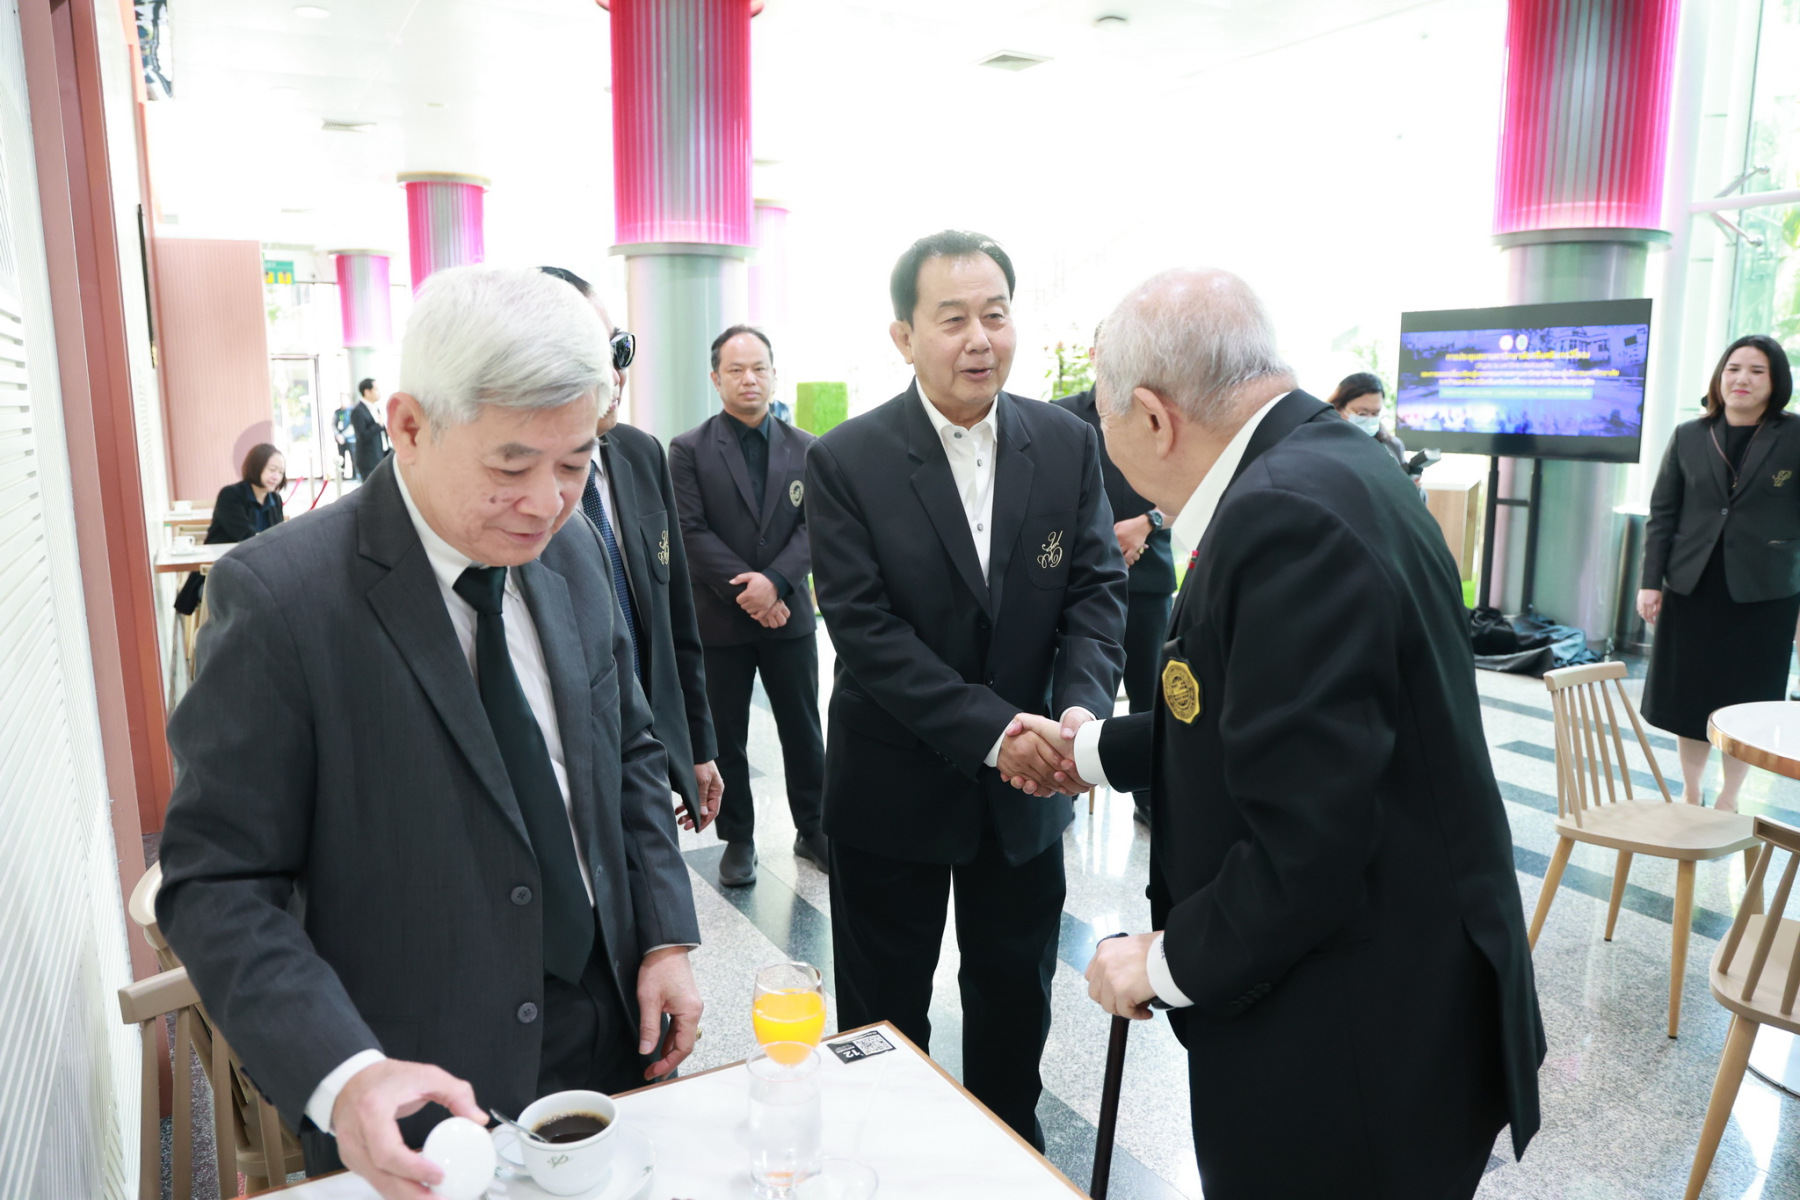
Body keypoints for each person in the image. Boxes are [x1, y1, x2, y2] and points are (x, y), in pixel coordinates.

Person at [155, 266, 704, 1200]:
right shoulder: (284, 598)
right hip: (415, 1078)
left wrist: (664, 937)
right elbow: (218, 880)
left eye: (576, 463)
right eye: (511, 466)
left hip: (611, 1028)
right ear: (408, 426)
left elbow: (628, 752)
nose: (548, 501)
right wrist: (342, 1074)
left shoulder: (571, 550)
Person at [1074, 269, 1543, 1199]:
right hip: (1394, 998)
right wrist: (1091, 751)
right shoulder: (1334, 462)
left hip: (1352, 1043)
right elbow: (1263, 714)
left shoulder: (1280, 516)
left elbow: (1307, 846)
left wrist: (1161, 962)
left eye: (1103, 417)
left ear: (1155, 417)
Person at [805, 231, 1127, 1148]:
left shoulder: (1064, 443)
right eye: (953, 319)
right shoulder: (847, 459)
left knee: (1014, 997)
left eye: (996, 314)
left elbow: (1096, 591)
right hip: (892, 785)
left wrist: (1076, 715)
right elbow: (865, 629)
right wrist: (996, 731)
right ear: (904, 336)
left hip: (1029, 792)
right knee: (882, 1014)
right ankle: (879, 1158)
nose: (980, 338)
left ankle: (1007, 1154)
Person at [540, 266, 723, 834]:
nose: (616, 374)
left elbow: (676, 618)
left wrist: (696, 744)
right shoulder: (521, 493)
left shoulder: (641, 455)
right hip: (568, 759)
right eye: (594, 356)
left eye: (619, 349)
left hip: (651, 745)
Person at [669, 326, 825, 885]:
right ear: (716, 379)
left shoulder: (808, 448)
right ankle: (738, 837)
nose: (749, 379)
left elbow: (815, 526)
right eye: (736, 370)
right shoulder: (688, 450)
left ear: (774, 373)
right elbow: (689, 532)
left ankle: (814, 828)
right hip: (719, 620)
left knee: (803, 730)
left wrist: (776, 583)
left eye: (758, 368)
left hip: (789, 616)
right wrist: (752, 593)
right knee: (726, 734)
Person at [1637, 334, 1799, 811]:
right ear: (1719, 376)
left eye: (1756, 371)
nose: (1742, 379)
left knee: (1747, 701)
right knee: (1690, 697)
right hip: (1693, 586)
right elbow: (1662, 515)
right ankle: (1692, 791)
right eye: (1733, 369)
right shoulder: (1689, 434)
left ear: (1775, 381)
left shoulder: (1795, 435)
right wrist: (1650, 582)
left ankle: (1730, 797)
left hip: (1765, 592)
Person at [1054, 331, 1174, 826]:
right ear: (1093, 354)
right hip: (1078, 585)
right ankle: (1061, 786)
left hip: (1148, 582)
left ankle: (1151, 799)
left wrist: (1148, 522)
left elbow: (1189, 486)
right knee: (1075, 691)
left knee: (1153, 696)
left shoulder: (1163, 413)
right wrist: (1102, 540)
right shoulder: (1060, 417)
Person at [172, 443, 286, 616]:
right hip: (220, 576)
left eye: (281, 472)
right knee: (256, 602)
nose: (276, 476)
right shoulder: (230, 495)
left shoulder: (275, 500)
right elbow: (246, 538)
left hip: (259, 576)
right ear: (256, 466)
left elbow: (279, 539)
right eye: (272, 470)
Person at [1327, 372, 1410, 471]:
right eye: (1362, 413)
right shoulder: (1322, 446)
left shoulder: (1392, 446)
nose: (1369, 419)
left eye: (1375, 413)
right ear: (1339, 408)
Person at [350, 377, 389, 480]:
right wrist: (378, 426)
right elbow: (361, 436)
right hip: (368, 461)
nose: (378, 392)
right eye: (376, 389)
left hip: (381, 456)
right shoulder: (358, 411)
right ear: (367, 392)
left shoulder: (375, 408)